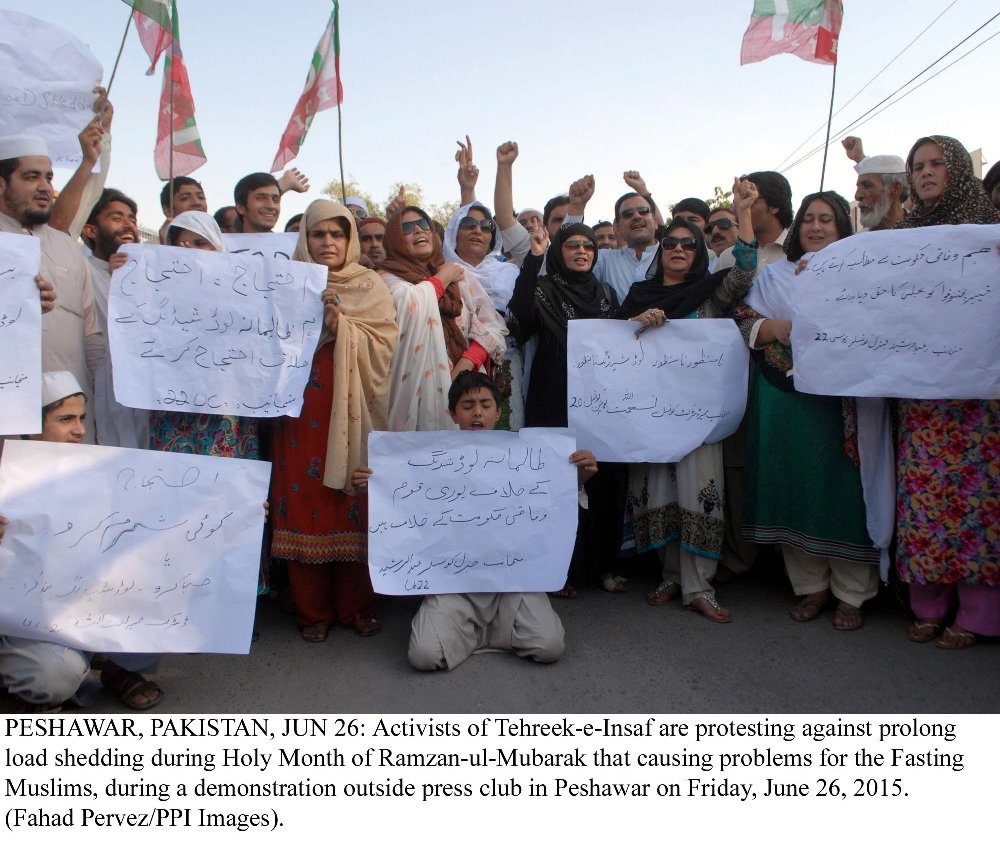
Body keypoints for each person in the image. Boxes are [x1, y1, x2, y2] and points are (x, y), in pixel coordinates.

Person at [354, 372, 595, 671]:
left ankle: (472, 636)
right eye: (468, 405)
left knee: (549, 646)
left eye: (485, 404)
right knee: (424, 656)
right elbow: (402, 503)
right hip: (452, 585)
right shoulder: (429, 459)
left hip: (513, 582)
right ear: (452, 413)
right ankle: (483, 633)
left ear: (498, 411)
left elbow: (551, 504)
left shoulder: (527, 457)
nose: (477, 412)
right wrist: (373, 488)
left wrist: (578, 477)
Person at [735, 191, 881, 631]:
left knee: (842, 489)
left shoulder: (866, 270)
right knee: (794, 483)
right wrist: (770, 327)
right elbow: (742, 316)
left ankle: (852, 592)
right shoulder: (774, 274)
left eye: (827, 220)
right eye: (809, 220)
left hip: (844, 400)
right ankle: (810, 586)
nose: (816, 228)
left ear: (842, 227)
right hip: (784, 396)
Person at [619, 179, 758, 623]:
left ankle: (701, 586)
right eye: (671, 243)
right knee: (659, 489)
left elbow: (746, 269)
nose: (679, 249)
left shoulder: (710, 294)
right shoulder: (639, 297)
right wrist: (636, 323)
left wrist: (745, 212)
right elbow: (613, 345)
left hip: (697, 415)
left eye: (689, 244)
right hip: (651, 414)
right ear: (661, 250)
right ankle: (672, 575)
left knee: (699, 492)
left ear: (698, 253)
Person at [269, 200, 398, 641]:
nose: (327, 242)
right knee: (304, 498)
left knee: (354, 496)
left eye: (337, 234)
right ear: (304, 238)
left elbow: (385, 345)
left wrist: (340, 323)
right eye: (318, 234)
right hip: (300, 410)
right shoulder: (284, 283)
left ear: (350, 240)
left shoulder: (369, 285)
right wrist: (308, 318)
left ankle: (357, 606)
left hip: (353, 407)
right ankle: (313, 611)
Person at [892, 135, 1000, 650]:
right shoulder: (901, 237)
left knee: (980, 505)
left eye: (937, 164)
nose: (927, 173)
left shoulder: (989, 230)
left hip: (980, 402)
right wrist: (816, 272)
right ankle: (929, 604)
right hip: (924, 398)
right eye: (918, 166)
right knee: (925, 502)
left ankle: (979, 614)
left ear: (957, 168)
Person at [0, 372, 162, 711]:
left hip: (76, 609)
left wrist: (237, 512)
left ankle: (117, 668)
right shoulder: (5, 479)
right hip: (21, 623)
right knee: (54, 675)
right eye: (65, 419)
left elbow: (167, 518)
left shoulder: (99, 471)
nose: (80, 429)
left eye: (82, 418)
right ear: (32, 425)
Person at [507, 222, 621, 596]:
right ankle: (559, 571)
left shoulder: (606, 294)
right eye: (572, 245)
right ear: (559, 251)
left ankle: (603, 567)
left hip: (601, 404)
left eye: (588, 246)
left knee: (603, 481)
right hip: (553, 399)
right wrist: (534, 257)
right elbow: (520, 319)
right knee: (557, 485)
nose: (582, 251)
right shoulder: (543, 289)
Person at [0, 134, 102, 442]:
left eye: (48, 177)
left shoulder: (68, 247)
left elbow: (91, 336)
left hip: (71, 422)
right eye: (31, 177)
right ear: (1, 184)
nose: (45, 187)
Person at [379, 206, 507, 431]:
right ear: (394, 239)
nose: (419, 229)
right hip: (415, 397)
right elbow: (412, 305)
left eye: (424, 224)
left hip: (466, 394)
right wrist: (441, 279)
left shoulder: (459, 275)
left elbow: (493, 326)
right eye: (407, 227)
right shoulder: (384, 279)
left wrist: (467, 362)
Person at [81, 188, 148, 448]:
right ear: (90, 230)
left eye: (131, 218)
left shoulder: (153, 273)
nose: (128, 224)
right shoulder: (83, 270)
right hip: (104, 393)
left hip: (144, 393)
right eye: (116, 217)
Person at [563, 175, 660, 303]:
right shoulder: (605, 259)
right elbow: (562, 260)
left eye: (643, 211)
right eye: (627, 214)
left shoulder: (674, 254)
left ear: (655, 221)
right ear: (618, 228)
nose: (636, 216)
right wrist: (576, 207)